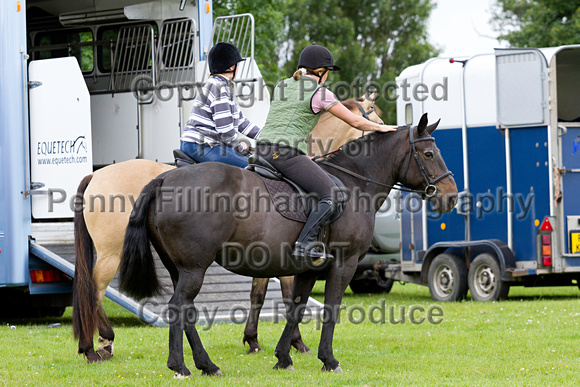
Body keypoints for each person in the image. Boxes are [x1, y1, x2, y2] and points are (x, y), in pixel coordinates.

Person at [257, 44, 397, 264]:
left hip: (261, 150)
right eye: (328, 71)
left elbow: (289, 121)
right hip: (284, 153)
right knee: (332, 194)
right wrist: (382, 128)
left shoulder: (283, 85)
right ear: (321, 72)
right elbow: (353, 120)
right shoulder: (320, 93)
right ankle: (305, 243)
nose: (328, 76)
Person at [180, 42, 261, 168]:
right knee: (254, 167)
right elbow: (225, 130)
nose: (238, 68)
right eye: (237, 65)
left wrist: (266, 136)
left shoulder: (221, 86)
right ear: (230, 68)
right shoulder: (219, 88)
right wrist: (239, 147)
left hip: (202, 144)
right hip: (202, 145)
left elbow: (241, 122)